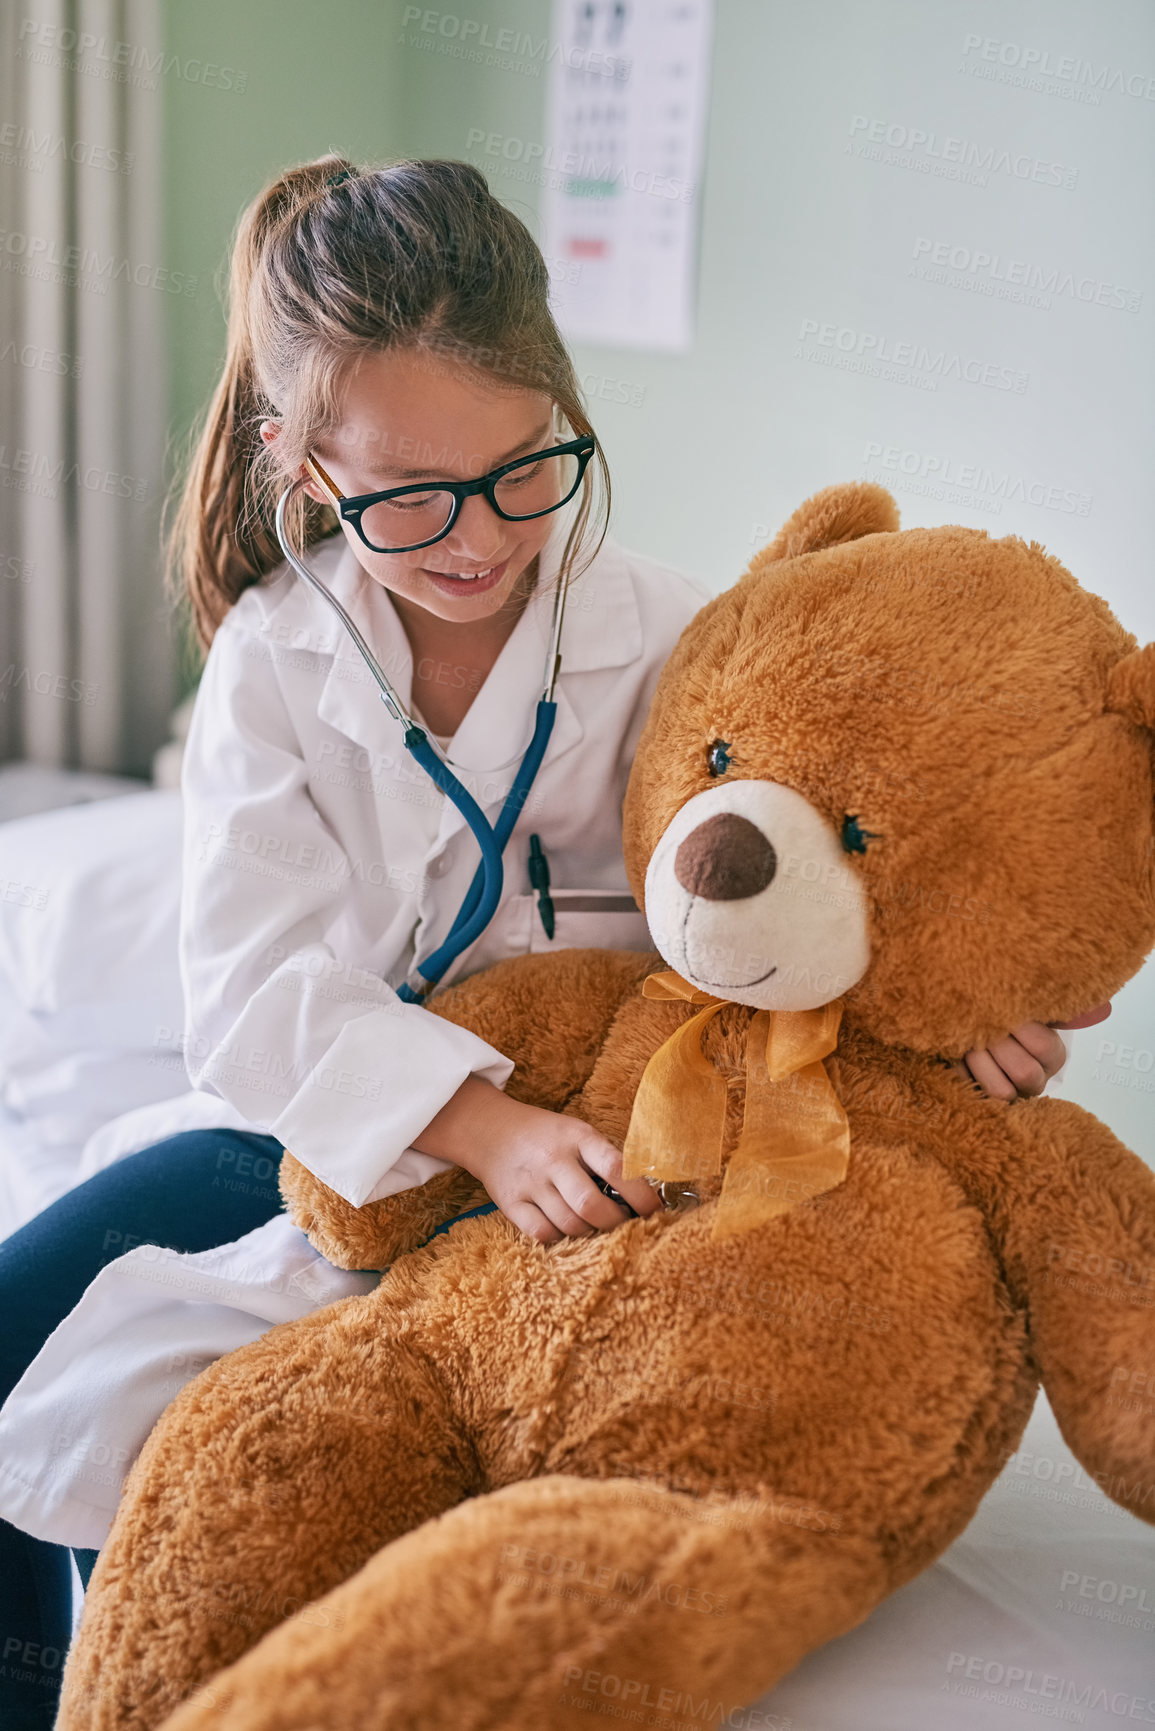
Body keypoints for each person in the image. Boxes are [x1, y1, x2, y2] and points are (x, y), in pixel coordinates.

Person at [0, 155, 1072, 1728]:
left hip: (613, 1135)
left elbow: (808, 863)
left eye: (524, 473)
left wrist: (955, 1006)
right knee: (34, 1354)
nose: (479, 537)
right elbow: (252, 996)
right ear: (298, 465)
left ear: (565, 413)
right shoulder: (276, 673)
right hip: (321, 1143)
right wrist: (479, 1126)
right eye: (409, 499)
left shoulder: (669, 632)